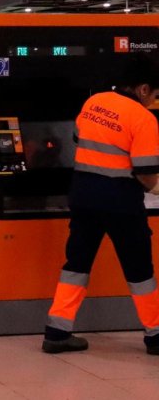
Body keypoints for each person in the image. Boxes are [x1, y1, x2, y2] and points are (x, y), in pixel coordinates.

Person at [44, 53, 159, 355]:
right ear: (143, 89)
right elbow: (146, 173)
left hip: (83, 197)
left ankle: (57, 332)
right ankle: (156, 335)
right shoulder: (143, 118)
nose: (153, 101)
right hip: (121, 202)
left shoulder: (94, 102)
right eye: (155, 95)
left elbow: (78, 138)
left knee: (76, 265)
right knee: (140, 270)